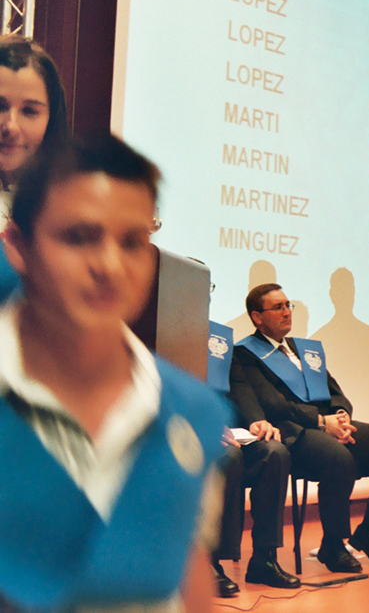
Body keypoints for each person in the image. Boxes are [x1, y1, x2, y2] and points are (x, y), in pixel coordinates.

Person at [0, 133, 228, 611]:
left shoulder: (193, 412)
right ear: (18, 246)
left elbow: (187, 566)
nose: (110, 266)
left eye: (132, 243)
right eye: (80, 237)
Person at [230, 283, 369, 574]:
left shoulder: (303, 350)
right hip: (293, 431)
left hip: (327, 424)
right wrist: (321, 422)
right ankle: (333, 545)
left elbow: (335, 392)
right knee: (339, 458)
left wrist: (341, 416)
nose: (287, 312)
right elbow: (273, 404)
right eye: (278, 307)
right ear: (257, 317)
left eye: (288, 305)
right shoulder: (245, 354)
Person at [0, 35, 70, 303]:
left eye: (29, 111)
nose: (11, 126)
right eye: (0, 106)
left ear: (51, 120)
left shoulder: (69, 206)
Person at [212, 414, 298, 594]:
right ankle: (210, 562)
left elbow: (243, 394)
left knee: (275, 452)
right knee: (230, 456)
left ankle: (263, 559)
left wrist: (255, 419)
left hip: (238, 431)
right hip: (196, 430)